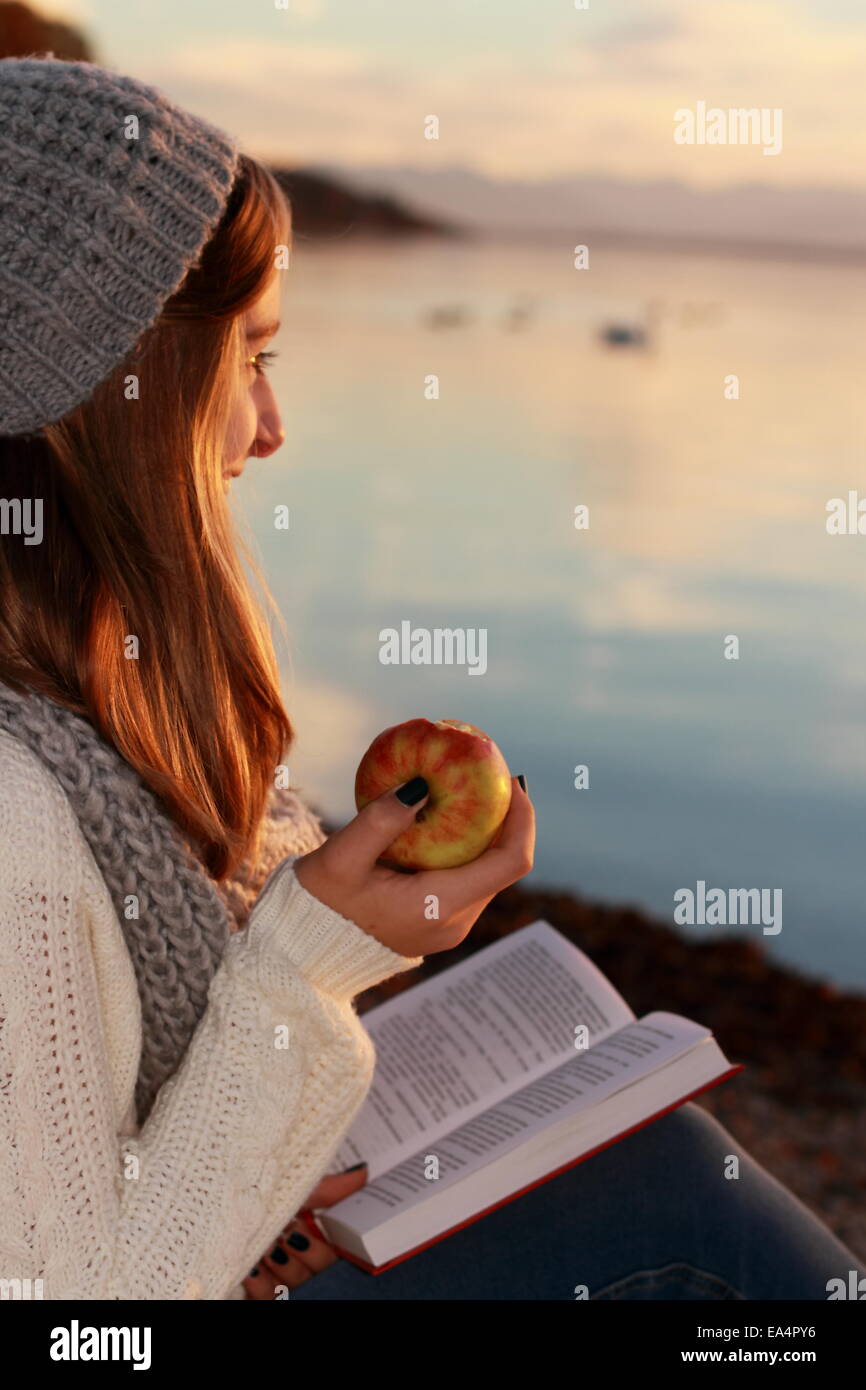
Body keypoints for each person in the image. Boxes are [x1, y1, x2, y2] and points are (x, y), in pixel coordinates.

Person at [0, 57, 861, 1303]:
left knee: (642, 1171)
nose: (271, 427)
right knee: (671, 1208)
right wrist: (312, 959)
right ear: (123, 391)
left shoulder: (83, 709)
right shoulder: (21, 800)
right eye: (249, 359)